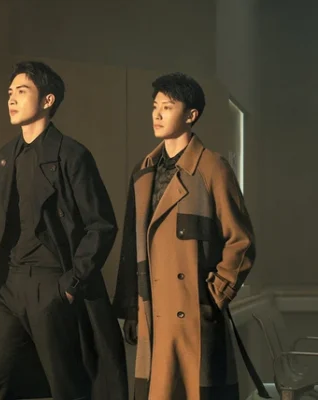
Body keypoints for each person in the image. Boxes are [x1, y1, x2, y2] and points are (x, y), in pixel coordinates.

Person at [0, 61, 127, 400]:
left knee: (65, 385)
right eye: (9, 92)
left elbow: (102, 224)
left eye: (21, 91)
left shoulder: (72, 155)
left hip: (51, 285)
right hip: (9, 285)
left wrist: (70, 285)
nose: (11, 99)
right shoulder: (5, 156)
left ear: (47, 100)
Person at [112, 72, 269, 400]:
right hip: (152, 313)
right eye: (155, 106)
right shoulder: (143, 172)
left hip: (194, 317)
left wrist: (214, 295)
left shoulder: (213, 168)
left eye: (167, 107)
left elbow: (241, 240)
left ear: (191, 115)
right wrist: (131, 309)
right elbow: (132, 246)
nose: (157, 114)